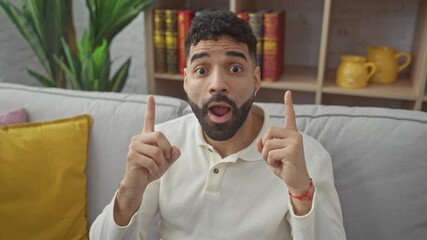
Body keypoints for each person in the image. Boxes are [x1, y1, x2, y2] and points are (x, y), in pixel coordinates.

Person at [90, 10, 346, 240]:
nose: (217, 84)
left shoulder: (305, 157)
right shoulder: (161, 146)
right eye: (201, 70)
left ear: (256, 80)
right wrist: (129, 189)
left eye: (234, 68)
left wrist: (301, 191)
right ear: (186, 80)